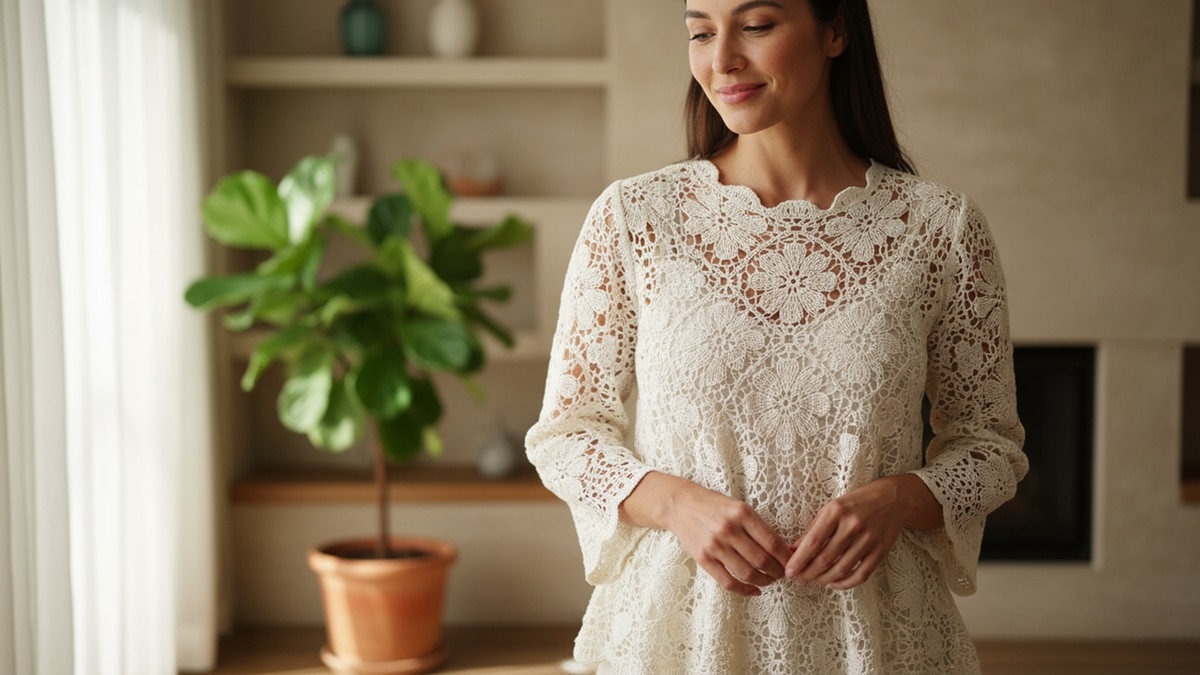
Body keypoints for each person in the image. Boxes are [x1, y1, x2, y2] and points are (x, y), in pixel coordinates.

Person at [525, 0, 1028, 672]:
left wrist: (903, 498)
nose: (722, 58)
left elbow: (991, 446)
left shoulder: (940, 229)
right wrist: (674, 503)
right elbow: (565, 436)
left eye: (756, 26)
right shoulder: (635, 219)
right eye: (701, 32)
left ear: (836, 30)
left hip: (878, 636)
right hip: (676, 638)